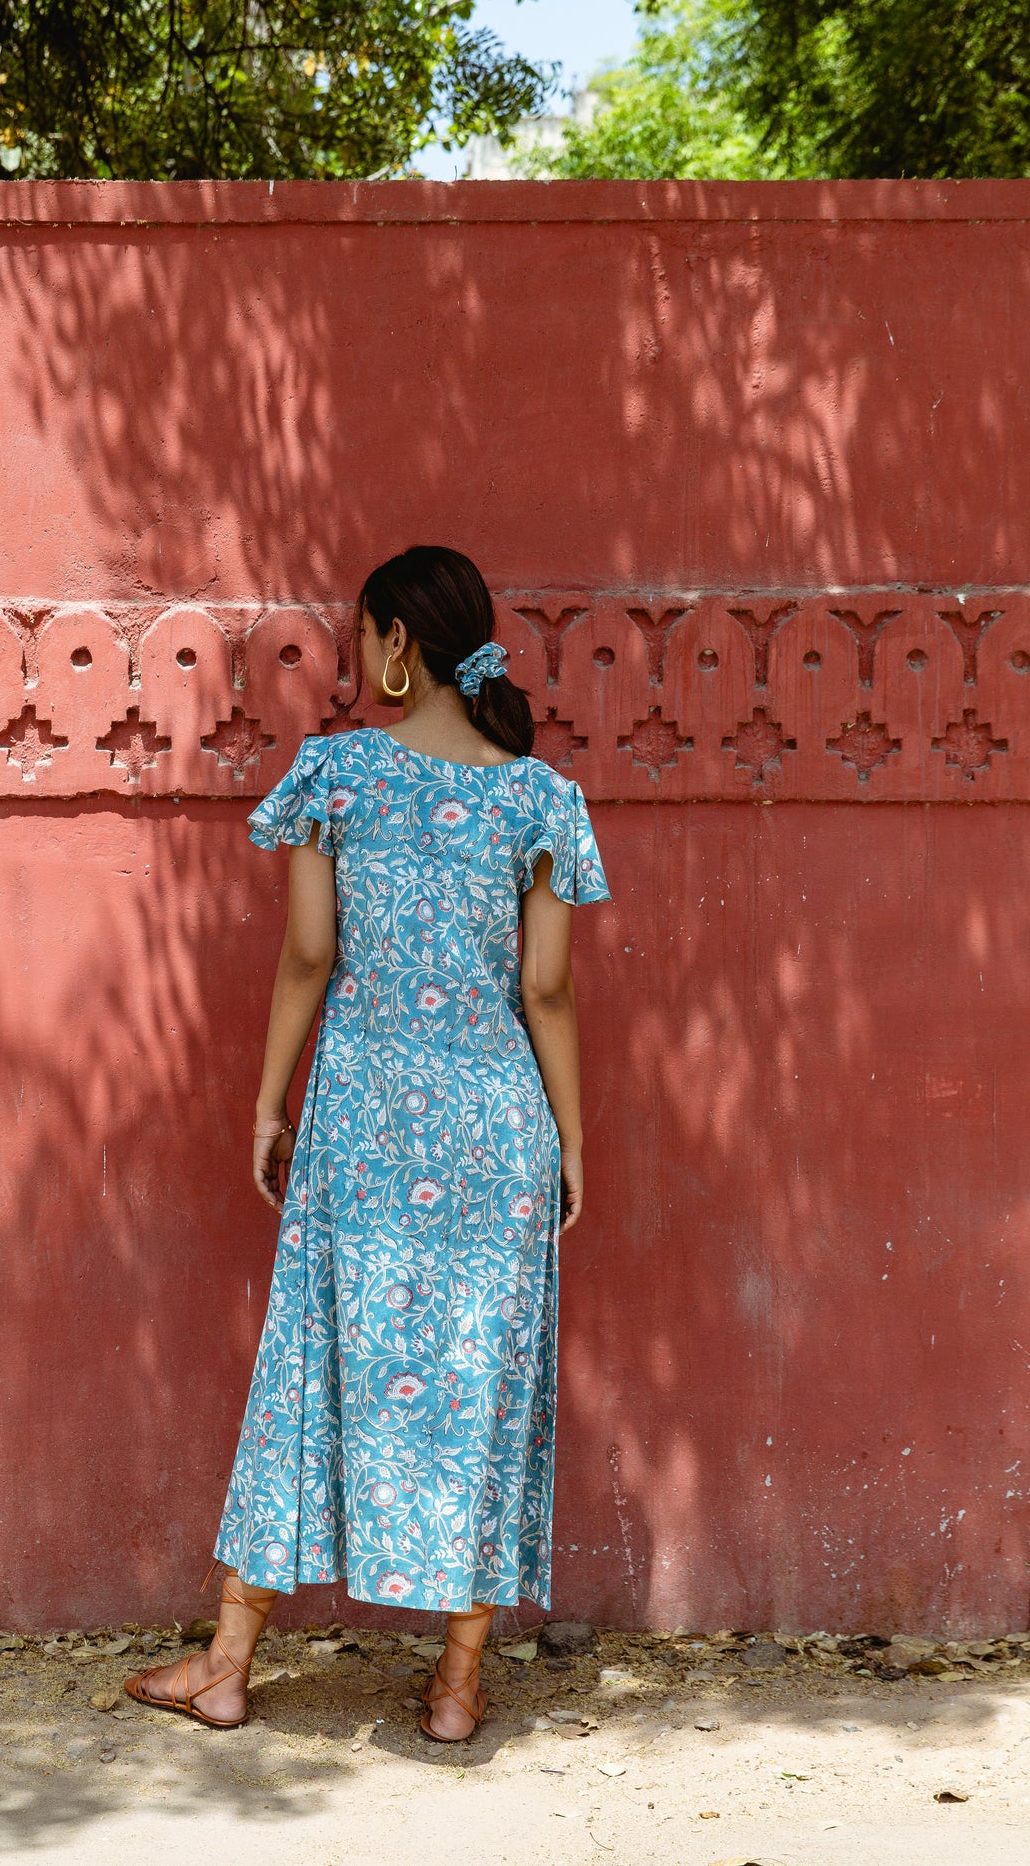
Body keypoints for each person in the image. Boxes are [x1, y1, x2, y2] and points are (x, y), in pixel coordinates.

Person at [126, 545, 610, 1742]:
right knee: (486, 1385)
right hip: (500, 1122)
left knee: (307, 1359)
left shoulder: (334, 775)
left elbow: (307, 956)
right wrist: (572, 1136)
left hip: (363, 1115)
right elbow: (545, 990)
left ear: (399, 639)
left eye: (364, 635)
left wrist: (266, 1101)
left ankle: (230, 1664)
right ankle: (454, 1689)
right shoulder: (539, 797)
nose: (360, 658)